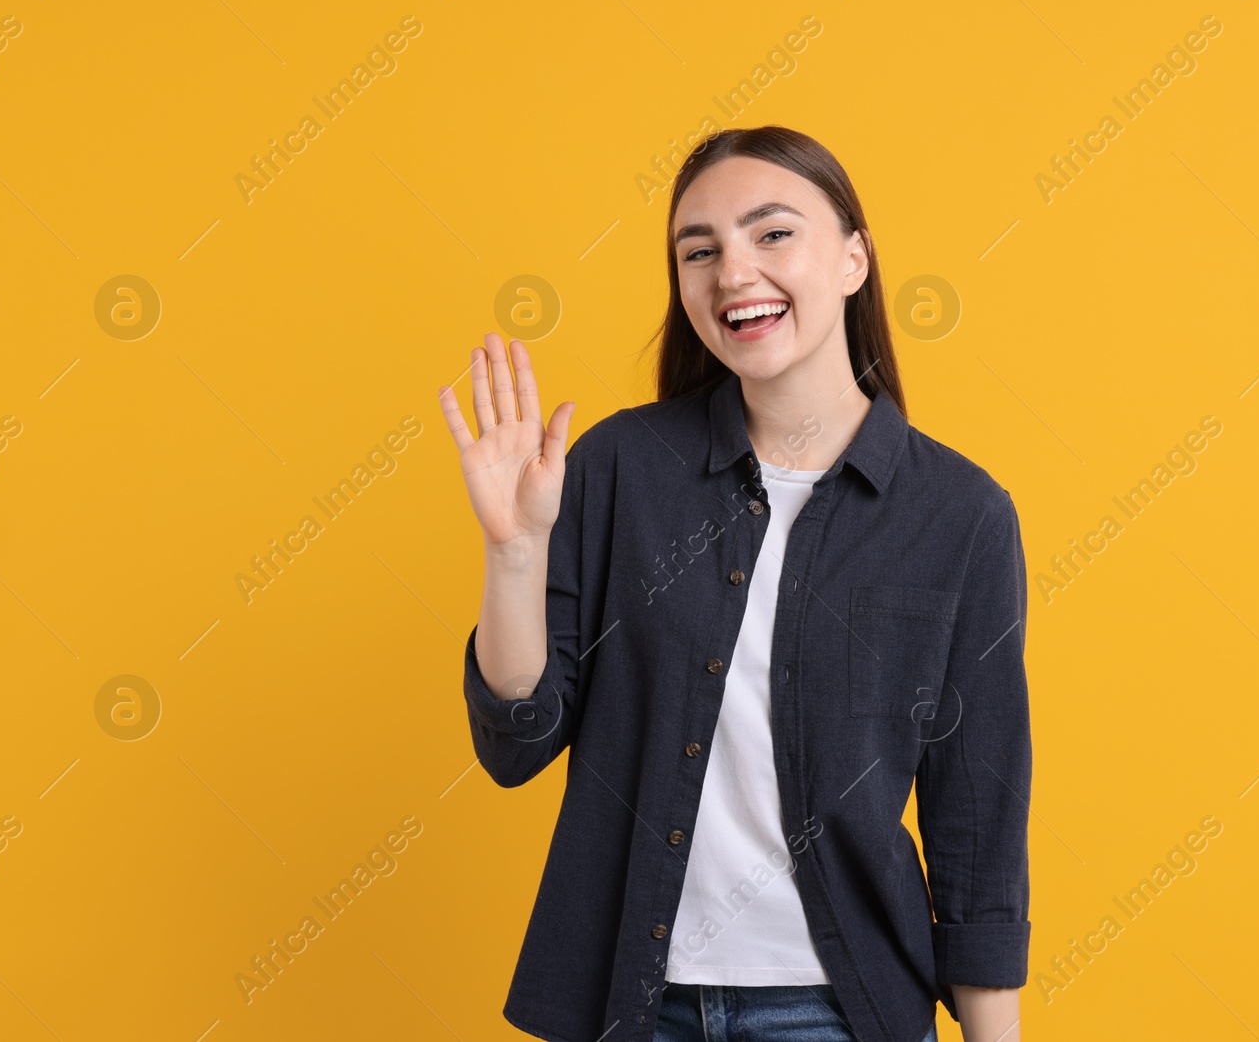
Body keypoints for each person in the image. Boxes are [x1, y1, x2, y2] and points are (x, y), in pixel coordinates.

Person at [440, 125, 1031, 1042]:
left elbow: (976, 824)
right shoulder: (617, 469)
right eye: (699, 251)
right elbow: (517, 741)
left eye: (773, 234)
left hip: (837, 1011)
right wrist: (514, 553)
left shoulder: (959, 515)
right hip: (627, 1001)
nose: (733, 273)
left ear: (853, 259)